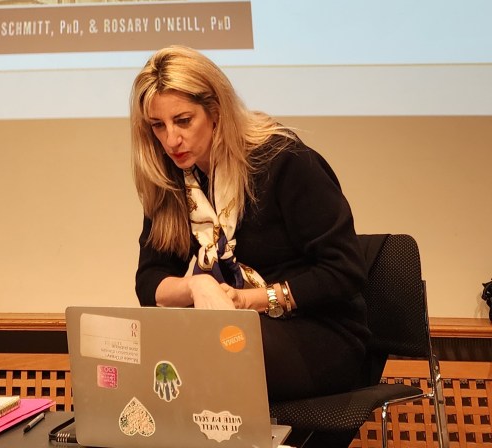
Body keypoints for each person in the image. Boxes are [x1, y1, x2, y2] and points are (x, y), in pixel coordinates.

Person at [131, 45, 371, 442]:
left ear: (217, 111)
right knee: (153, 359)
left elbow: (343, 272)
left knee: (209, 357)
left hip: (322, 333)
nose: (171, 139)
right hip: (235, 334)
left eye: (183, 121)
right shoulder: (173, 179)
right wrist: (196, 285)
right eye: (157, 126)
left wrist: (249, 301)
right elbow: (149, 281)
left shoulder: (284, 161)